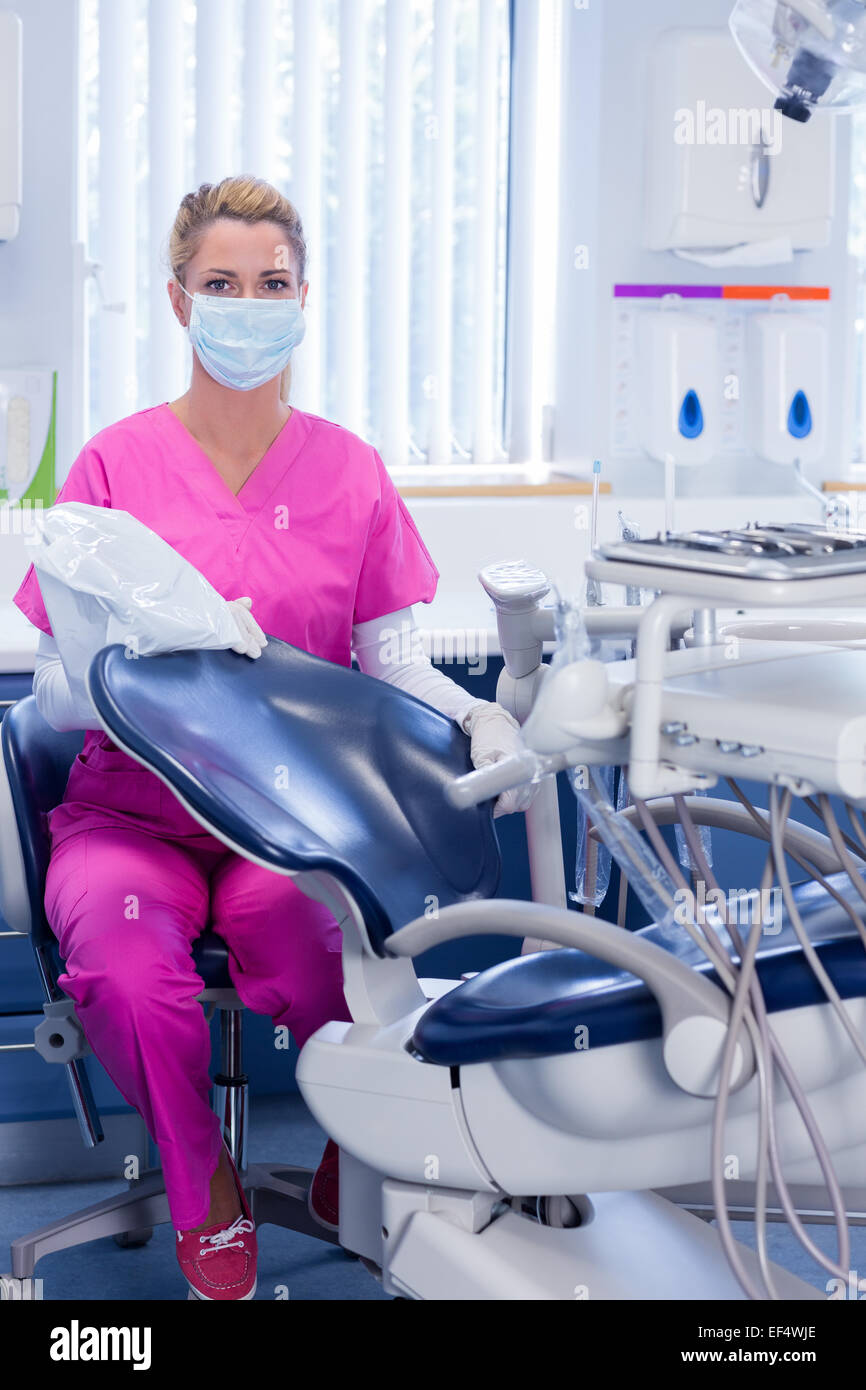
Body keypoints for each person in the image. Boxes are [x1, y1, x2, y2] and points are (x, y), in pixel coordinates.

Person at [12, 175, 537, 1301]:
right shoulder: (112, 468)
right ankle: (202, 1187)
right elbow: (53, 687)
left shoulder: (346, 470)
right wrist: (129, 681)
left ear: (304, 298)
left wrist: (481, 711)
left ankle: (363, 1143)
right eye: (220, 284)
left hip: (287, 824)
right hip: (132, 816)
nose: (246, 305)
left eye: (270, 284)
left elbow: (392, 669)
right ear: (176, 300)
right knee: (123, 966)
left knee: (325, 945)